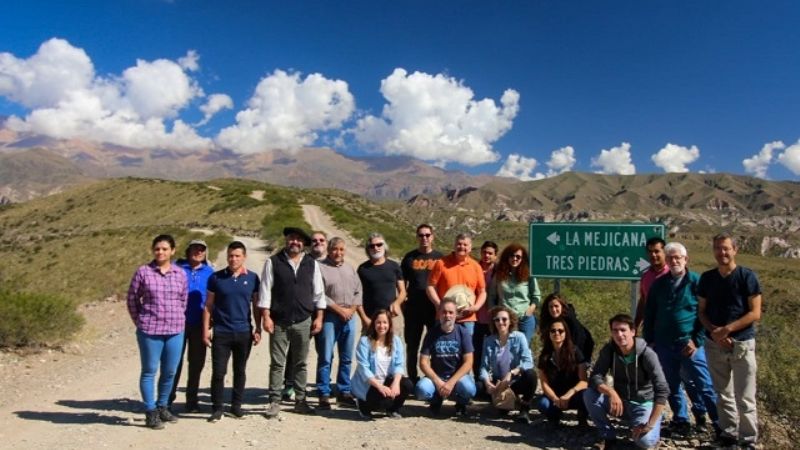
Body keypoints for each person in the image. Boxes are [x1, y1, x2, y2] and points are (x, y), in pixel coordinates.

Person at [643, 242, 719, 437]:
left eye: (678, 257)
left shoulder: (696, 282)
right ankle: (681, 421)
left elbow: (705, 313)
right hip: (663, 344)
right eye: (671, 258)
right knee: (671, 385)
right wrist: (649, 340)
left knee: (704, 384)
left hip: (689, 345)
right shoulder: (659, 284)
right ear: (666, 261)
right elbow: (650, 313)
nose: (674, 261)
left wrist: (697, 340)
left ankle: (720, 424)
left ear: (686, 260)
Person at [697, 233, 762, 449]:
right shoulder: (707, 278)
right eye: (717, 248)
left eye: (725, 248)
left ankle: (748, 439)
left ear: (735, 250)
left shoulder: (747, 277)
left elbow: (755, 313)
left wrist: (727, 330)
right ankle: (728, 434)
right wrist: (714, 331)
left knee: (745, 396)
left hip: (741, 343)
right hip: (714, 343)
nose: (721, 252)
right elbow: (702, 311)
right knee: (722, 393)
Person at [259, 227, 326, 418]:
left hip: (304, 320)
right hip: (279, 321)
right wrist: (266, 316)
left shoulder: (311, 263)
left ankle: (301, 401)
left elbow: (318, 293)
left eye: (298, 239)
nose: (294, 242)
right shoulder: (273, 262)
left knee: (301, 363)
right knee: (277, 363)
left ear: (303, 243)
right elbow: (265, 291)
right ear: (286, 240)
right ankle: (274, 401)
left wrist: (319, 317)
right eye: (291, 238)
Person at [126, 234, 188, 429]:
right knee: (149, 371)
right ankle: (150, 411)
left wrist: (177, 317)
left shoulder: (180, 274)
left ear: (172, 251)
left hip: (175, 330)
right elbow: (132, 300)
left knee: (170, 371)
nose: (160, 252)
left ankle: (163, 406)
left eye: (164, 249)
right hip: (150, 330)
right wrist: (141, 321)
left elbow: (183, 301)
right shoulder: (143, 272)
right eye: (157, 249)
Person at [584, 314, 668, 449]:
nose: (619, 334)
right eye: (615, 330)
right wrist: (611, 392)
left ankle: (656, 419)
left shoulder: (647, 355)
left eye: (623, 330)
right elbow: (595, 377)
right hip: (621, 402)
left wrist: (649, 424)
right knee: (589, 394)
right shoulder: (610, 350)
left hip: (643, 403)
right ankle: (607, 435)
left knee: (644, 442)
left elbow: (662, 389)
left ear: (633, 332)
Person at [202, 241, 261, 422]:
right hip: (222, 331)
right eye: (230, 256)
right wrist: (205, 330)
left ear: (244, 257)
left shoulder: (252, 278)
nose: (233, 259)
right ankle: (217, 408)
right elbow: (209, 305)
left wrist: (258, 328)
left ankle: (236, 407)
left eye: (237, 256)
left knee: (240, 371)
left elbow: (256, 305)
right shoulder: (216, 278)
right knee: (219, 372)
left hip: (244, 332)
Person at [316, 237, 363, 409]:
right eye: (335, 249)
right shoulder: (320, 268)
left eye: (341, 249)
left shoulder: (350, 268)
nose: (338, 253)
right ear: (329, 250)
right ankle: (324, 393)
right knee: (326, 356)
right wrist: (339, 310)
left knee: (346, 357)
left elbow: (358, 291)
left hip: (350, 317)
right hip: (330, 316)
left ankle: (344, 391)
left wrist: (351, 310)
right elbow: (320, 293)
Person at [169, 239, 214, 413]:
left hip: (200, 324)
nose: (198, 252)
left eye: (202, 249)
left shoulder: (210, 272)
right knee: (173, 363)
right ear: (188, 251)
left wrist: (211, 324)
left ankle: (192, 400)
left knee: (196, 364)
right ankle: (167, 400)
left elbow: (213, 300)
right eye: (195, 248)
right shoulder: (177, 268)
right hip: (177, 323)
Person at [282, 231, 327, 402]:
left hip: (324, 314)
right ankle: (290, 384)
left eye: (321, 240)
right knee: (295, 351)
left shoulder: (331, 261)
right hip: (301, 313)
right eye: (314, 240)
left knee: (323, 353)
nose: (318, 243)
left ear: (326, 242)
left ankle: (323, 387)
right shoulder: (304, 260)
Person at [415, 298, 477, 417]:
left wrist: (451, 382)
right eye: (444, 312)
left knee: (469, 389)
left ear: (456, 314)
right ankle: (436, 401)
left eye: (450, 312)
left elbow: (469, 362)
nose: (447, 315)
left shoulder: (462, 332)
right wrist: (438, 382)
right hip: (437, 376)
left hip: (458, 377)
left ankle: (461, 403)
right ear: (439, 313)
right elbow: (423, 362)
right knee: (421, 390)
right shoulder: (432, 333)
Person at [351, 310, 414, 419]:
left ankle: (392, 410)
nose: (382, 326)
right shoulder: (365, 341)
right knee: (380, 403)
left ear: (389, 325)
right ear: (374, 324)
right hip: (370, 385)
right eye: (378, 322)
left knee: (407, 384)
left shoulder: (396, 341)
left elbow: (399, 364)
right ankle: (363, 404)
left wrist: (395, 383)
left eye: (385, 322)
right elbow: (363, 368)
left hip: (386, 381)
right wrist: (380, 386)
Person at [479, 306, 537, 423]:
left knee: (531, 375)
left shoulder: (519, 337)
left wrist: (512, 372)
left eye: (504, 319)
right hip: (499, 384)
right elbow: (483, 367)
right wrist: (487, 382)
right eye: (497, 320)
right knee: (479, 386)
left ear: (510, 321)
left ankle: (524, 409)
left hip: (515, 381)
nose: (501, 322)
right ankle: (508, 402)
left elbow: (528, 362)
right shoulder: (489, 340)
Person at [401, 224, 443, 383]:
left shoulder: (440, 258)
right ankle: (412, 379)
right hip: (413, 310)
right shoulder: (409, 258)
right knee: (412, 346)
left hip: (434, 309)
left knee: (435, 346)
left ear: (432, 236)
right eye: (421, 235)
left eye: (427, 235)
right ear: (417, 237)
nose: (424, 238)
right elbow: (401, 283)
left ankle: (432, 379)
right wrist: (402, 301)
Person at [426, 233, 487, 336]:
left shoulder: (476, 267)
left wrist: (476, 307)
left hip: (467, 318)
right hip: (445, 315)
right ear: (454, 245)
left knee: (466, 349)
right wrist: (439, 304)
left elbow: (482, 291)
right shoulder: (441, 263)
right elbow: (430, 286)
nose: (462, 247)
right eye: (459, 244)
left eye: (465, 245)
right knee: (443, 348)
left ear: (470, 248)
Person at [536, 318, 588, 427]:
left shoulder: (575, 352)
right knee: (542, 403)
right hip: (555, 396)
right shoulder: (544, 356)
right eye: (553, 331)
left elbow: (584, 382)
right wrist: (555, 398)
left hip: (573, 395)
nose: (557, 333)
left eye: (560, 331)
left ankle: (582, 417)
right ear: (549, 334)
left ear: (566, 333)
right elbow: (544, 383)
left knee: (587, 395)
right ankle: (555, 417)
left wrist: (568, 395)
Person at [488, 243, 541, 345]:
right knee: (507, 348)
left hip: (524, 319)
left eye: (518, 256)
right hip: (504, 320)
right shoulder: (499, 274)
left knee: (523, 348)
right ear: (507, 257)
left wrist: (530, 310)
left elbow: (536, 296)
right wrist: (493, 312)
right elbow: (492, 296)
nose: (515, 259)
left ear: (522, 258)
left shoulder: (528, 274)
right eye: (512, 255)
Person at [357, 233, 406, 332]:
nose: (376, 248)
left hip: (391, 318)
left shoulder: (394, 266)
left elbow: (403, 292)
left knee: (393, 346)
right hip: (370, 319)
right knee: (368, 346)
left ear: (385, 246)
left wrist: (397, 303)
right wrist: (364, 318)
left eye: (379, 244)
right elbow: (356, 296)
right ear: (368, 249)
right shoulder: (362, 269)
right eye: (372, 246)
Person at [540, 293, 594, 364]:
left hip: (581, 350)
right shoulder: (547, 321)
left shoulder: (570, 320)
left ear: (562, 306)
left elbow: (579, 339)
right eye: (551, 307)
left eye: (556, 306)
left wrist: (573, 358)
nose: (553, 309)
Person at [473, 241, 498, 378]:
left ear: (495, 255)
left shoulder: (500, 271)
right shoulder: (473, 268)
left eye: (490, 253)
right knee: (476, 350)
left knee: (492, 350)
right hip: (475, 317)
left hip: (493, 319)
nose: (486, 255)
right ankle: (478, 379)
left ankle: (492, 380)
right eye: (484, 252)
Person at [634, 237, 669, 331]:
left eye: (657, 251)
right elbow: (643, 301)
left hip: (670, 328)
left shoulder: (673, 274)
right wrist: (636, 325)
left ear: (664, 252)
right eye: (650, 251)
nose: (653, 255)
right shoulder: (645, 276)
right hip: (650, 327)